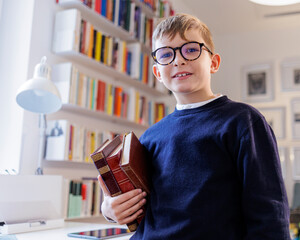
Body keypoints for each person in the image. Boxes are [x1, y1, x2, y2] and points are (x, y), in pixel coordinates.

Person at [98, 13, 290, 239]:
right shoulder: (150, 137)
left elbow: (270, 213)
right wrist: (109, 210)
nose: (178, 60)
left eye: (190, 50)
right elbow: (140, 210)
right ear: (158, 72)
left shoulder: (243, 122)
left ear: (214, 63)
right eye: (166, 54)